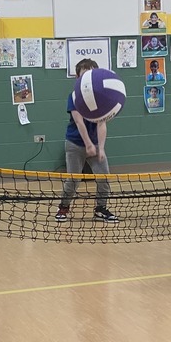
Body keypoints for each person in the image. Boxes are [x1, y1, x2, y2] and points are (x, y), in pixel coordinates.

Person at [54, 59, 119, 223]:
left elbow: (101, 123)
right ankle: (63, 207)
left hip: (95, 145)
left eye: (91, 75)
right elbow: (79, 122)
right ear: (77, 78)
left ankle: (100, 209)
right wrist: (88, 144)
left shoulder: (101, 97)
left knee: (104, 177)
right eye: (84, 75)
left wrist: (100, 147)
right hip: (75, 144)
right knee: (74, 179)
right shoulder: (74, 97)